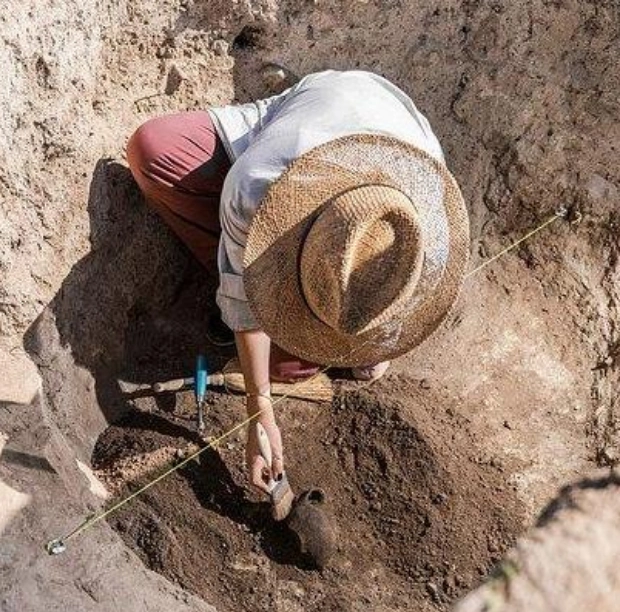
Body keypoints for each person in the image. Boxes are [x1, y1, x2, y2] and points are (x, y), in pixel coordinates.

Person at [127, 70, 469, 513]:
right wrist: (259, 409)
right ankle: (260, 271)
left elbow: (399, 298)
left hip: (394, 124)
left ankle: (347, 341)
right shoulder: (256, 185)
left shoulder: (427, 239)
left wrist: (368, 342)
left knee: (304, 361)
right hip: (314, 106)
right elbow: (246, 312)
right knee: (153, 149)